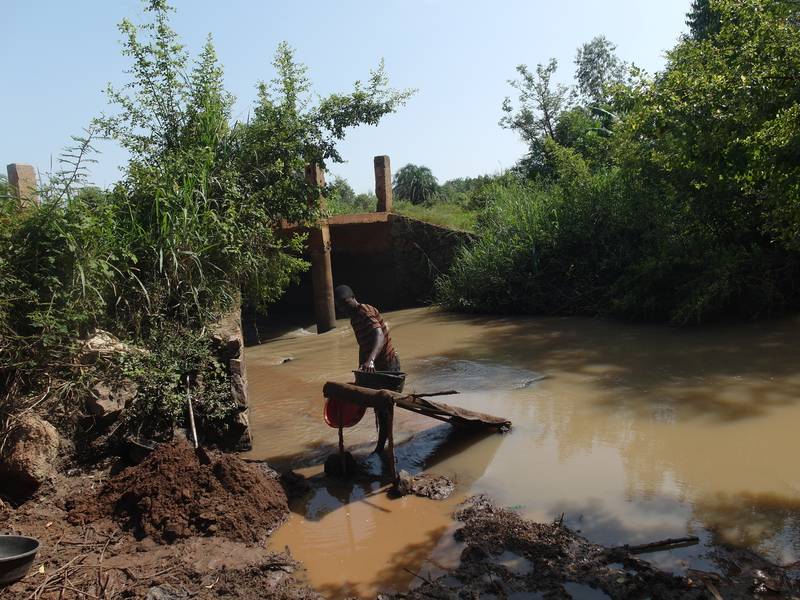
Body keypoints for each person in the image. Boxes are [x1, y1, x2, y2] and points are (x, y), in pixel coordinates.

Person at [334, 285, 401, 373]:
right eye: (340, 306)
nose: (343, 308)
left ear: (353, 297)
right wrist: (361, 365)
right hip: (374, 364)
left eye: (345, 303)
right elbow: (363, 346)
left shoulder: (365, 312)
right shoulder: (354, 319)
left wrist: (371, 361)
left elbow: (380, 336)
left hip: (388, 361)